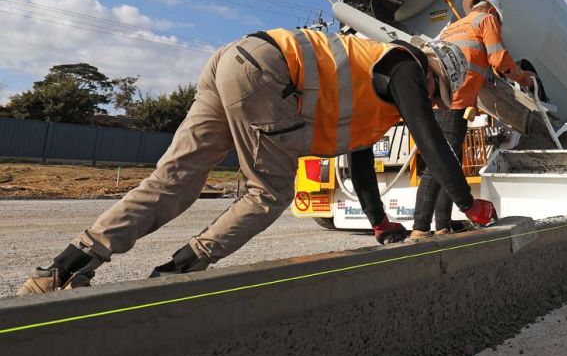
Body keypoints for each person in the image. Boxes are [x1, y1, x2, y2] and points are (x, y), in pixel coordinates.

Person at [19, 28, 497, 295]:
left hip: (234, 60)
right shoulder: (405, 66)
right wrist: (469, 205)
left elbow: (359, 157)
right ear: (436, 71)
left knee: (177, 179)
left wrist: (379, 224)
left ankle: (62, 269)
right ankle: (175, 276)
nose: (434, 104)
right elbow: (433, 143)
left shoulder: (376, 90)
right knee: (268, 193)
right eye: (438, 96)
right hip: (269, 74)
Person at [410, 0, 535, 239]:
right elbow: (499, 58)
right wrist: (524, 78)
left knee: (449, 165)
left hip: (435, 102)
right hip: (452, 103)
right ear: (491, 10)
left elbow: (465, 60)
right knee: (439, 166)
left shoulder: (453, 27)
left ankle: (442, 225)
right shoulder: (486, 21)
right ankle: (420, 227)